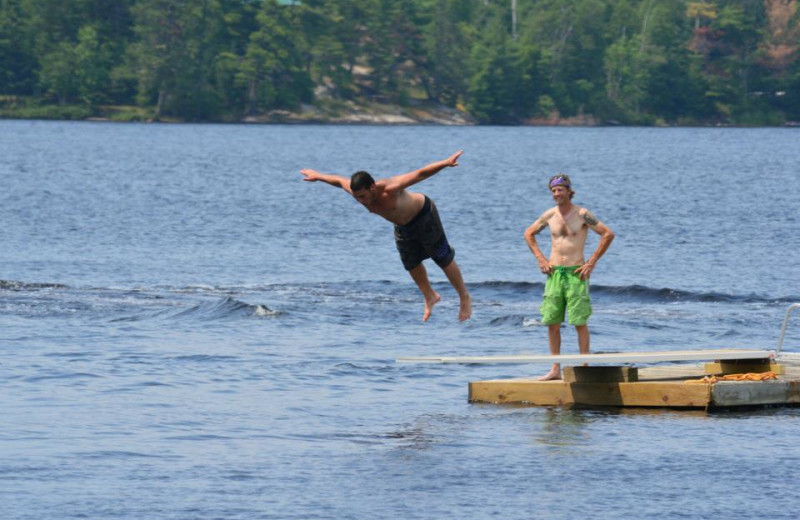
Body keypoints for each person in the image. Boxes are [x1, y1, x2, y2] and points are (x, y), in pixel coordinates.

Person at [300, 151, 471, 322]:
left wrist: (446, 163)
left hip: (424, 215)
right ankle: (430, 296)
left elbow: (421, 173)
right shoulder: (357, 192)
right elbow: (338, 180)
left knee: (442, 257)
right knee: (410, 263)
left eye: (363, 196)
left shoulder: (390, 189)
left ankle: (464, 297)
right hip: (403, 226)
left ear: (372, 187)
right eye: (357, 197)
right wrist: (317, 176)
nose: (360, 201)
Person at [524, 173, 614, 380]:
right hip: (555, 273)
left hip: (576, 273)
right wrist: (540, 258)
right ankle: (555, 369)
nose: (557, 194)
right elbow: (529, 233)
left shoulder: (582, 214)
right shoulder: (550, 215)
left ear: (569, 191)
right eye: (554, 191)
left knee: (579, 321)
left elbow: (607, 234)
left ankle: (584, 367)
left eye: (560, 190)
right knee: (552, 322)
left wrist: (591, 262)